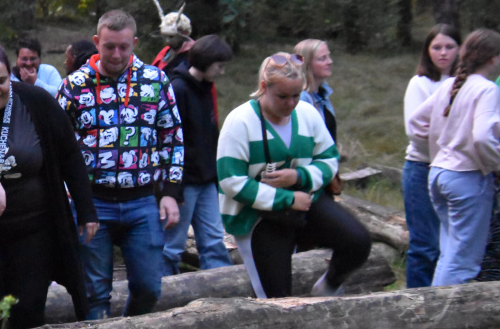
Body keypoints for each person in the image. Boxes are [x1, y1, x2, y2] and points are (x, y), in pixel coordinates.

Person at [0, 40, 97, 329]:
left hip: (34, 229)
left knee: (27, 309)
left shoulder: (37, 103)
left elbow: (70, 156)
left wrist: (86, 210)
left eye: (1, 81)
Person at [57, 10, 183, 320]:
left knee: (149, 286)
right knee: (94, 292)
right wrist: (68, 197)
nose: (116, 54)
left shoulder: (155, 81)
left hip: (142, 200)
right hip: (92, 201)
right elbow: (57, 148)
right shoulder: (74, 86)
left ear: (134, 43)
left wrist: (170, 192)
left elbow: (172, 137)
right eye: (109, 46)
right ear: (96, 41)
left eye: (123, 47)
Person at [217, 52, 371, 298]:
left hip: (305, 202)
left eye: (296, 95)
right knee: (277, 298)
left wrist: (299, 177)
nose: (290, 103)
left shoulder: (307, 113)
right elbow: (231, 181)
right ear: (264, 87)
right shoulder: (240, 122)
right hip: (257, 216)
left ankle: (327, 288)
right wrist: (286, 199)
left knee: (358, 242)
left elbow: (329, 159)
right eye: (282, 96)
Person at [407, 29, 500, 286]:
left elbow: (415, 123)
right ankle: (444, 311)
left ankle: (434, 305)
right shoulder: (487, 89)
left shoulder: (450, 85)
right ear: (493, 58)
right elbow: (483, 137)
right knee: (463, 262)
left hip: (438, 174)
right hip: (467, 179)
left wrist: (441, 148)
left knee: (449, 254)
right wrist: (496, 165)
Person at [162, 35, 234, 275]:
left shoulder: (205, 88)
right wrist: (174, 187)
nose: (222, 72)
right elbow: (170, 141)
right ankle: (165, 289)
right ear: (205, 61)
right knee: (172, 245)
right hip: (184, 183)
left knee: (214, 241)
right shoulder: (178, 89)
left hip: (206, 180)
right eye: (219, 66)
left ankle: (223, 287)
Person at [401, 24, 460, 287]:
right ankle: (416, 302)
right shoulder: (420, 84)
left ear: (460, 50)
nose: (443, 53)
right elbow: (416, 132)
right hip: (422, 168)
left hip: (458, 171)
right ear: (427, 51)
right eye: (437, 47)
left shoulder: (468, 83)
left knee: (451, 245)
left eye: (449, 47)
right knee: (424, 245)